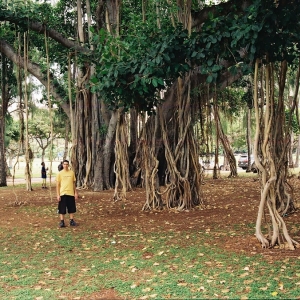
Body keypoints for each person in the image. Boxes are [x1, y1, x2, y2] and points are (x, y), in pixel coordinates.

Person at [56, 160, 78, 228]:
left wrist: (75, 192)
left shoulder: (72, 173)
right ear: (62, 165)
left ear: (68, 165)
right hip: (62, 193)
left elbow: (74, 184)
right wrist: (58, 194)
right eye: (64, 164)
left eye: (67, 164)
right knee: (62, 208)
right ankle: (62, 222)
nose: (65, 165)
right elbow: (58, 185)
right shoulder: (60, 174)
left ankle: (71, 221)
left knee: (71, 208)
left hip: (70, 193)